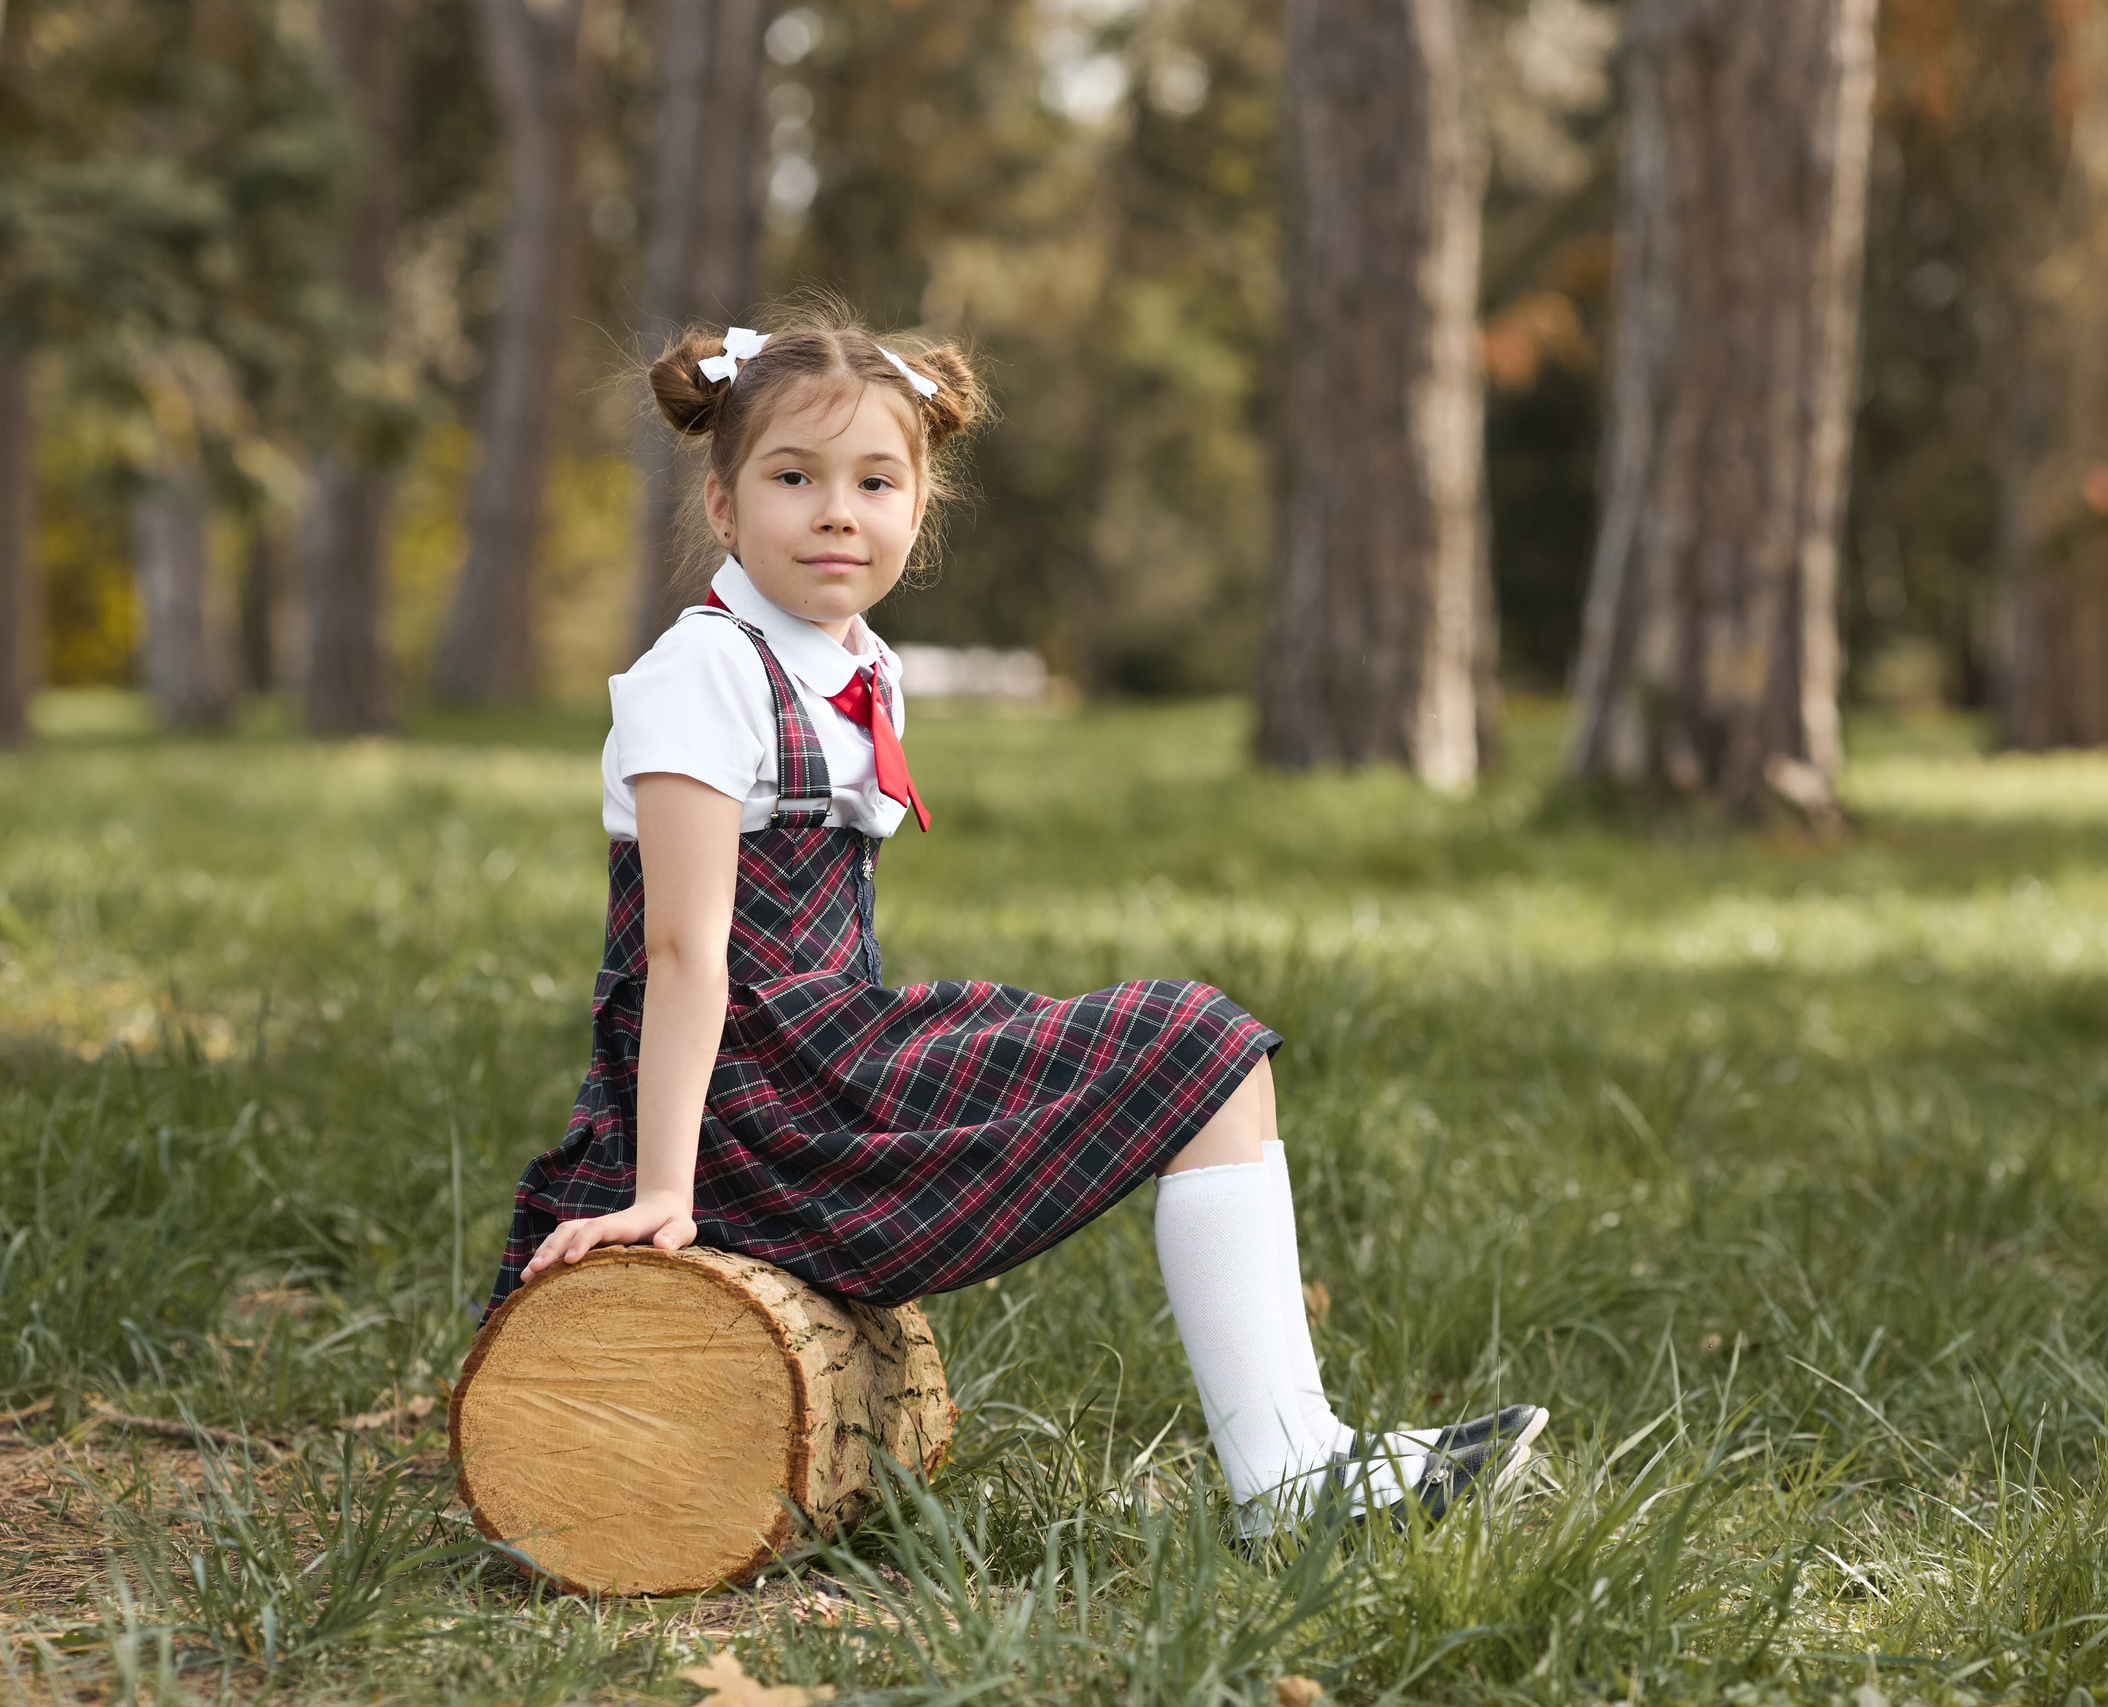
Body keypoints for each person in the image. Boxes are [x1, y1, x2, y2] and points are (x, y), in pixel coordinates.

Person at [487, 306, 1546, 1540]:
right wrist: (666, 1185)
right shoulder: (701, 675)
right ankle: (1289, 1484)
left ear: (918, 510)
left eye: (875, 481)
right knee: (1192, 1042)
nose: (838, 511)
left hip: (828, 1055)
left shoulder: (851, 665)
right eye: (794, 477)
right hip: (759, 1109)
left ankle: (1295, 1461)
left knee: (1210, 1054)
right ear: (722, 505)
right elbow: (682, 951)